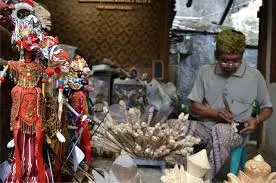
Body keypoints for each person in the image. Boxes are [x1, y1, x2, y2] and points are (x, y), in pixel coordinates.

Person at [185, 29, 273, 180]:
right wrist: (215, 113)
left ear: (242, 56)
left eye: (236, 60)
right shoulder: (205, 72)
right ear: (216, 55)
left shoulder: (254, 76)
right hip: (206, 128)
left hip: (236, 132)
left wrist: (256, 120)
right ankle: (178, 174)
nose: (230, 65)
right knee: (173, 127)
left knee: (220, 130)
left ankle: (204, 179)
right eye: (225, 60)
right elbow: (194, 106)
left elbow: (267, 108)